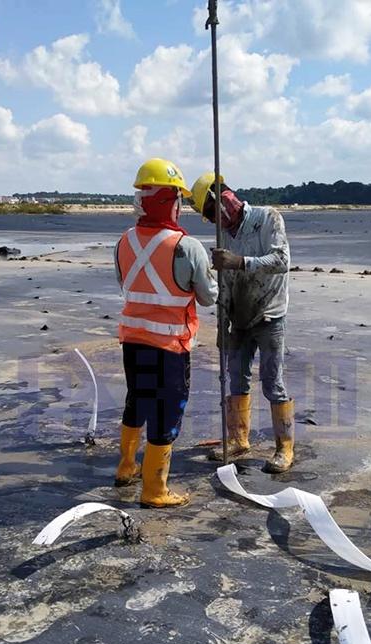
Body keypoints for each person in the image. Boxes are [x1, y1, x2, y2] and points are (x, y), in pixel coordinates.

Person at [114, 158, 218, 507]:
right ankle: (155, 489)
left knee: (136, 400)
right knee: (166, 411)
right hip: (170, 346)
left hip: (133, 341)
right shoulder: (186, 247)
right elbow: (207, 297)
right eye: (177, 199)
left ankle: (126, 466)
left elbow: (126, 284)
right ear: (169, 200)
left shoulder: (123, 242)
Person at [190, 172, 295, 473]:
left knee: (272, 382)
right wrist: (222, 323)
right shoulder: (224, 235)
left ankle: (284, 448)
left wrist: (241, 261)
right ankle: (238, 439)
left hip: (270, 314)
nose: (212, 221)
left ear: (222, 200)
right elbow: (224, 283)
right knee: (236, 378)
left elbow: (281, 261)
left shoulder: (268, 219)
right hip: (239, 317)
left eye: (211, 213)